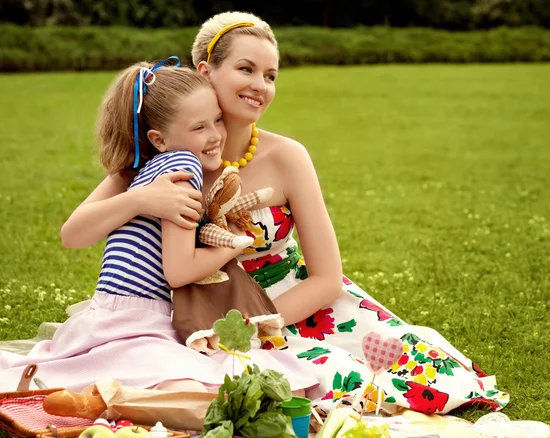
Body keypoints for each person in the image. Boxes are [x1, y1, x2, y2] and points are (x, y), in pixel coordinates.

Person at [34, 12, 509, 414]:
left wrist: (252, 330)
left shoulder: (287, 157)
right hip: (201, 313)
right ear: (204, 72)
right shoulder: (162, 155)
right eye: (246, 69)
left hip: (292, 303)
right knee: (277, 391)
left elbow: (327, 277)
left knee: (404, 374)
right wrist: (141, 199)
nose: (260, 85)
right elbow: (75, 232)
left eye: (271, 75)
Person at [0, 58, 318, 395]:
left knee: (223, 378)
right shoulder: (183, 168)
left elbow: (71, 236)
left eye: (217, 120)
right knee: (221, 387)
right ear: (159, 138)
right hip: (135, 322)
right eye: (199, 127)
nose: (215, 135)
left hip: (108, 312)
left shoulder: (147, 164)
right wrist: (234, 242)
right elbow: (178, 271)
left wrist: (139, 198)